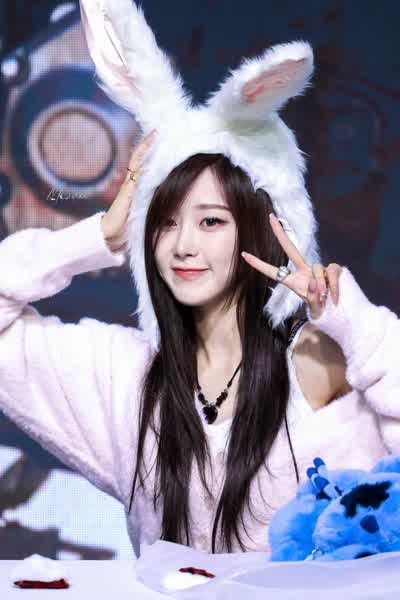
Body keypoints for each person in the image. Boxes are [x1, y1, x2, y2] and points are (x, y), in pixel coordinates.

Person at [0, 0, 399, 560]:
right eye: (164, 221)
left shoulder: (320, 360)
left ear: (263, 227)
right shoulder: (125, 378)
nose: (182, 244)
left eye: (211, 221)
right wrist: (100, 236)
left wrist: (357, 325)